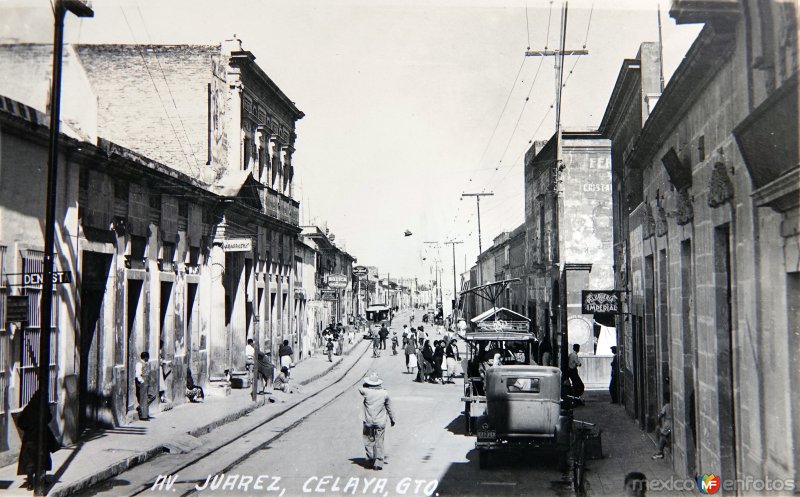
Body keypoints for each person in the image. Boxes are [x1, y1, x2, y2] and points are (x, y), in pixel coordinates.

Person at [16, 389, 58, 489]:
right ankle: (41, 481)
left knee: (30, 461)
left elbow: (21, 423)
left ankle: (30, 483)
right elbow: (48, 418)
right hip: (42, 438)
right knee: (42, 459)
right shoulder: (43, 408)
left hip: (30, 439)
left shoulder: (28, 408)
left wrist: (29, 428)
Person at [358, 372, 396, 470]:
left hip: (368, 421)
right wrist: (392, 419)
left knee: (368, 440)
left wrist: (366, 385)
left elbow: (360, 388)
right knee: (379, 441)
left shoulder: (366, 392)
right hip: (380, 422)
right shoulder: (384, 393)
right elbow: (389, 407)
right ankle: (378, 462)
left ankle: (371, 458)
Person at [652, 395, 672, 459]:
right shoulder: (673, 405)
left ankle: (660, 451)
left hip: (668, 423)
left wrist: (658, 423)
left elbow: (660, 415)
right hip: (673, 423)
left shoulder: (666, 406)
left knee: (662, 435)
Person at [135, 351, 151, 420]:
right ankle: (143, 415)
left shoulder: (145, 363)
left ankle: (145, 413)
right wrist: (142, 381)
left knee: (146, 398)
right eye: (147, 358)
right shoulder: (139, 364)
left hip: (146, 382)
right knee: (143, 399)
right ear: (145, 357)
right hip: (142, 383)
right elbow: (137, 374)